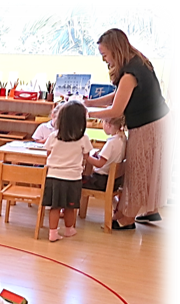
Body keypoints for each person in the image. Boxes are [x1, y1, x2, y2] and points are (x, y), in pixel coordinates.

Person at [83, 28, 174, 229]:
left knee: (137, 169)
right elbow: (117, 95)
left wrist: (87, 113)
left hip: (149, 125)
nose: (104, 60)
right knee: (149, 169)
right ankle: (146, 210)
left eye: (105, 55)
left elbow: (116, 109)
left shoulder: (131, 73)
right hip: (157, 119)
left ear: (115, 50)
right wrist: (89, 102)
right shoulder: (137, 62)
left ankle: (127, 218)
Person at [43, 100, 93, 242]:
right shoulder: (83, 138)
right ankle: (69, 229)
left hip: (54, 176)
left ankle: (52, 232)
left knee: (55, 206)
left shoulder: (53, 136)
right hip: (73, 177)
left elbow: (48, 153)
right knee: (70, 207)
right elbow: (87, 156)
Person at [83, 117, 127, 191]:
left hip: (101, 181)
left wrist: (87, 156)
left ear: (108, 125)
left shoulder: (111, 142)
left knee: (77, 182)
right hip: (116, 182)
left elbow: (99, 163)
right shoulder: (123, 139)